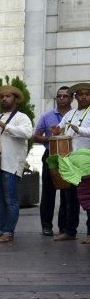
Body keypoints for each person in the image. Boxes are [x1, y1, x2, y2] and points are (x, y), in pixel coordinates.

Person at [0, 85, 33, 243]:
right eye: (2, 96)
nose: (4, 99)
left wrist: (6, 126)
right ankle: (0, 229)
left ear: (15, 99)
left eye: (8, 96)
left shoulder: (21, 117)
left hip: (11, 164)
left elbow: (27, 133)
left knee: (10, 199)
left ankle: (8, 232)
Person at [53, 82, 90, 243]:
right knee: (70, 199)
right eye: (80, 94)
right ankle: (70, 231)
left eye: (87, 94)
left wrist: (78, 130)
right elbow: (60, 128)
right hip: (70, 161)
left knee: (88, 199)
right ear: (75, 97)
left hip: (86, 161)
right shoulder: (70, 114)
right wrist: (56, 130)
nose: (83, 96)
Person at [34, 86, 72, 236]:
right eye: (59, 96)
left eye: (65, 96)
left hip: (69, 157)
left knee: (67, 194)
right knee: (48, 192)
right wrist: (50, 139)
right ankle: (46, 226)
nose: (61, 98)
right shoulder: (47, 116)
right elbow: (36, 136)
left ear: (71, 99)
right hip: (50, 156)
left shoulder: (75, 116)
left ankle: (64, 227)